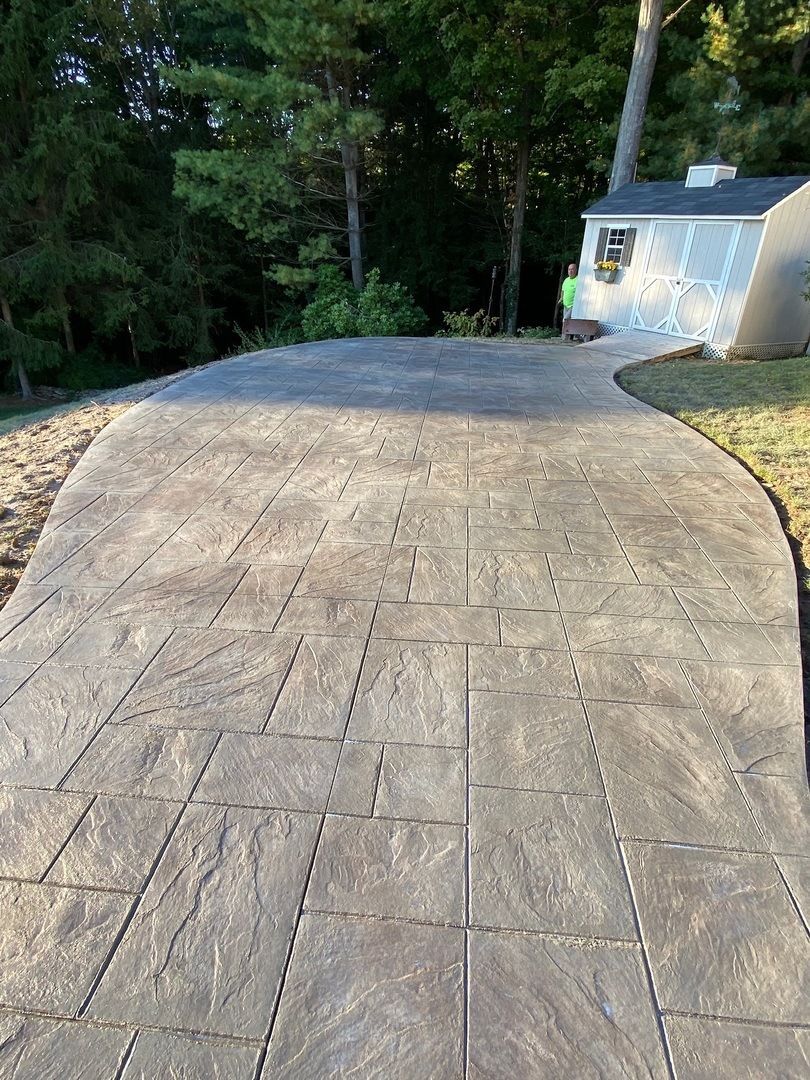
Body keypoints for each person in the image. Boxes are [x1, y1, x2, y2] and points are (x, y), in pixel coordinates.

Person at [560, 263, 578, 339]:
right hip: (565, 305)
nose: (570, 271)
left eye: (572, 269)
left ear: (576, 270)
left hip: (573, 305)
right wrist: (561, 298)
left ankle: (564, 337)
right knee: (566, 320)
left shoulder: (578, 280)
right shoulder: (566, 280)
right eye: (569, 269)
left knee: (566, 320)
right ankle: (567, 337)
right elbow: (563, 290)